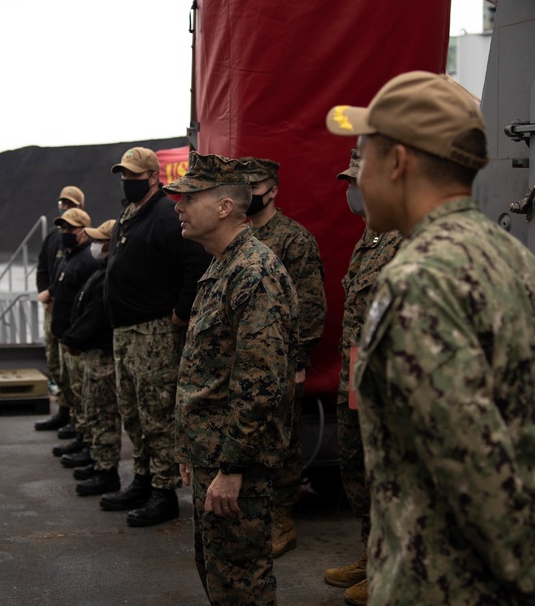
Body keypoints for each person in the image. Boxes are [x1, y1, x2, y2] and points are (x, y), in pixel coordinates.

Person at [326, 70, 535, 604]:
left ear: (397, 161)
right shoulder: (510, 255)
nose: (359, 174)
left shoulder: (419, 280)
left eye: (365, 154)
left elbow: (474, 468)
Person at [166, 152, 297, 606]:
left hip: (237, 463)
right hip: (213, 454)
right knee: (218, 572)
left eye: (188, 197)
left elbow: (258, 384)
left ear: (224, 207)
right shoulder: (223, 265)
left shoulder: (253, 273)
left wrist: (231, 467)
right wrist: (191, 449)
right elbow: (211, 371)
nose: (177, 205)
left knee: (241, 584)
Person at [101, 147, 212, 527]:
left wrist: (180, 315)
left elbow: (195, 265)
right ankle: (144, 479)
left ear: (153, 177)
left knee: (157, 413)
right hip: (125, 332)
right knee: (132, 412)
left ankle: (164, 492)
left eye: (134, 176)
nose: (127, 181)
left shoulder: (166, 214)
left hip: (154, 333)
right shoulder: (129, 215)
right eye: (123, 175)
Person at [321, 151, 401, 606]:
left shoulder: (401, 239)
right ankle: (371, 551)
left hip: (381, 372)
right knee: (355, 464)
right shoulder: (369, 235)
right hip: (356, 365)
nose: (351, 189)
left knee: (381, 469)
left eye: (357, 180)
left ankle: (389, 563)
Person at [239, 156, 327, 556]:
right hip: (246, 361)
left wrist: (299, 360)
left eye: (253, 188)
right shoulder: (240, 238)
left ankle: (282, 520)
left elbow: (310, 306)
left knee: (282, 442)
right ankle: (256, 516)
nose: (247, 196)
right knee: (250, 438)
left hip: (282, 360)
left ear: (272, 190)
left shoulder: (294, 239)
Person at [59, 219, 120, 496]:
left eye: (100, 240)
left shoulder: (109, 275)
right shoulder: (101, 270)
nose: (96, 246)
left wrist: (74, 337)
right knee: (93, 409)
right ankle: (98, 462)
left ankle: (106, 470)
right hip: (92, 352)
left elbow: (96, 315)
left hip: (101, 355)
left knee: (102, 412)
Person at [47, 208, 99, 468]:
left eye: (70, 229)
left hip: (77, 340)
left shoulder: (88, 261)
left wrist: (77, 335)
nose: (65, 234)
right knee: (71, 390)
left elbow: (91, 303)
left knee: (83, 395)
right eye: (62, 229)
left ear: (82, 232)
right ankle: (81, 436)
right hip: (63, 336)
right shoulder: (67, 257)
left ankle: (89, 444)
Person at [34, 185, 85, 434]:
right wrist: (45, 294)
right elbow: (43, 268)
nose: (65, 208)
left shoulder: (81, 237)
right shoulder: (52, 238)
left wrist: (53, 292)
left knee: (71, 367)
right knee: (54, 363)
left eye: (70, 204)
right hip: (51, 310)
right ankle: (64, 410)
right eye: (63, 204)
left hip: (68, 313)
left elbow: (73, 273)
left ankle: (75, 414)